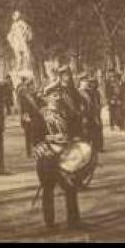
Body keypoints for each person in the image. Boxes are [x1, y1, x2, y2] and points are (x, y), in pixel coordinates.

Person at [31, 81, 81, 229]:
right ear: (46, 97)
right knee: (48, 189)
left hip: (66, 156)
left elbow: (75, 131)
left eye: (59, 94)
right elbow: (35, 138)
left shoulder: (67, 113)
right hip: (48, 157)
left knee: (71, 188)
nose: (58, 98)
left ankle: (73, 220)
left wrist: (75, 138)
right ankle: (50, 222)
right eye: (54, 95)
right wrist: (50, 139)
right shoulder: (40, 115)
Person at [77, 72, 104, 154]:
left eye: (87, 80)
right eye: (84, 81)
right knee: (86, 135)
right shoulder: (78, 93)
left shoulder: (91, 92)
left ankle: (96, 148)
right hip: (84, 118)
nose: (86, 82)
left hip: (92, 116)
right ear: (80, 82)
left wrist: (96, 114)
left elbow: (95, 104)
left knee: (95, 133)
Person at [17, 75, 41, 158]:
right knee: (28, 136)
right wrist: (25, 118)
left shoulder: (36, 95)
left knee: (36, 136)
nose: (32, 87)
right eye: (30, 85)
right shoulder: (25, 96)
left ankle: (36, 151)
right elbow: (23, 109)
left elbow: (40, 106)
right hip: (28, 118)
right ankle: (29, 152)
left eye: (32, 85)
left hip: (36, 118)